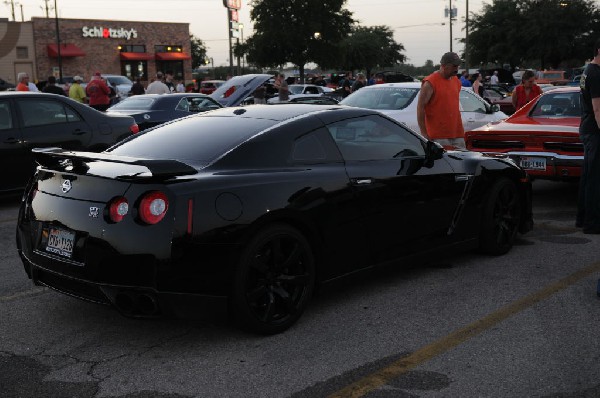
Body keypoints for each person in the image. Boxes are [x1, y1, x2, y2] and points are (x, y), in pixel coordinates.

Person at [416, 51, 465, 149]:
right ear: (444, 66)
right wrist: (424, 134)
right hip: (438, 136)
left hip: (457, 134)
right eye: (454, 66)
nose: (456, 69)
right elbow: (420, 107)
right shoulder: (430, 83)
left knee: (460, 163)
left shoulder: (456, 81)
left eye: (458, 66)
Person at [576, 38, 600, 234]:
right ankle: (592, 223)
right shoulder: (595, 73)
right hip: (594, 130)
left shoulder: (587, 71)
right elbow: (597, 108)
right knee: (594, 178)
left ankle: (582, 218)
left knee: (588, 176)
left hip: (587, 128)